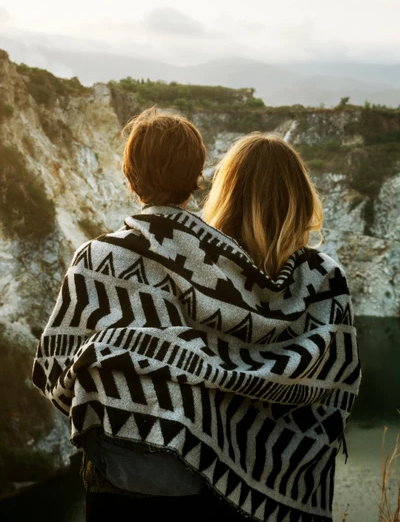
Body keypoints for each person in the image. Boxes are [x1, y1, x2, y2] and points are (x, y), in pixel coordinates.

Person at [32, 113, 361, 522]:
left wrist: (113, 396)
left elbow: (55, 372)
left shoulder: (114, 262)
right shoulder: (306, 278)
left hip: (123, 471)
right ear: (197, 177)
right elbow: (336, 380)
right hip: (222, 480)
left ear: (128, 175)